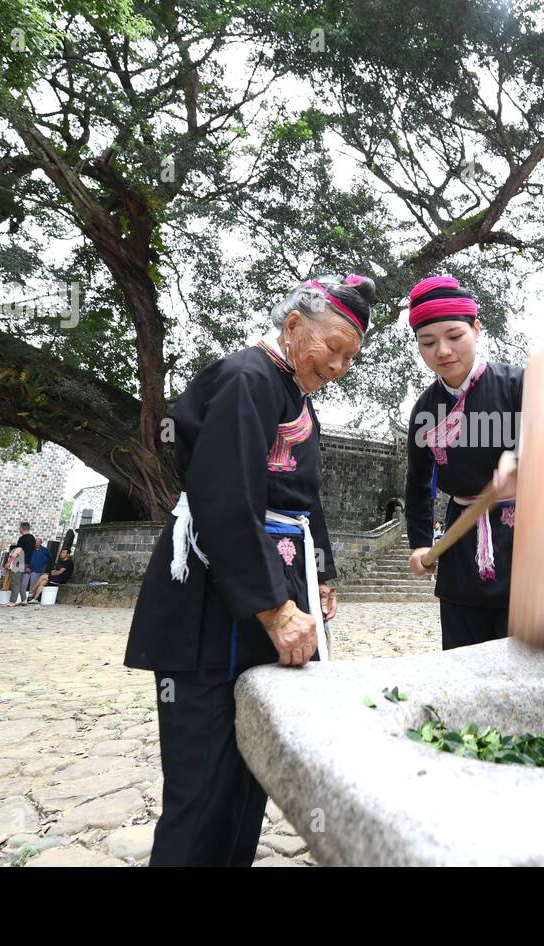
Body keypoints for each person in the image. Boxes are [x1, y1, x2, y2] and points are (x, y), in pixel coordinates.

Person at [125, 272, 373, 867]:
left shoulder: (294, 394)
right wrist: (277, 608)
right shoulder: (246, 379)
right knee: (203, 785)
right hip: (216, 600)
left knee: (248, 774)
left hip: (274, 584)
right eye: (331, 347)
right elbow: (226, 497)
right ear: (293, 325)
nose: (338, 365)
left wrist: (321, 576)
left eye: (349, 356)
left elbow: (302, 499)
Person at [403, 275, 521, 650]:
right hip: (460, 545)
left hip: (523, 540)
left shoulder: (517, 385)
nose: (442, 351)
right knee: (460, 657)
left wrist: (522, 459)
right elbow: (418, 485)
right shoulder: (425, 409)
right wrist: (420, 544)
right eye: (428, 342)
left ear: (476, 328)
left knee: (520, 660)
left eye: (454, 336)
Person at [4, 540, 27, 606]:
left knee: (15, 584)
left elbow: (13, 556)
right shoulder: (23, 550)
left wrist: (8, 563)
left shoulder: (17, 549)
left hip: (16, 567)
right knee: (20, 584)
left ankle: (12, 601)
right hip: (21, 567)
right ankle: (24, 599)